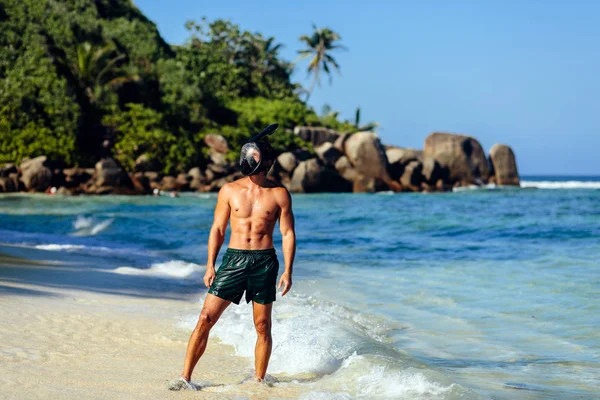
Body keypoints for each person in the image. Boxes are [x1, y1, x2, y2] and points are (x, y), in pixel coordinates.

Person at [169, 124, 296, 391]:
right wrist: (210, 264)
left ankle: (259, 381)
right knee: (205, 318)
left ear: (267, 162)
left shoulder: (280, 194)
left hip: (264, 262)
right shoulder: (228, 190)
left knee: (262, 325)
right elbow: (217, 228)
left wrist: (288, 271)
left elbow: (287, 233)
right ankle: (185, 377)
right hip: (234, 260)